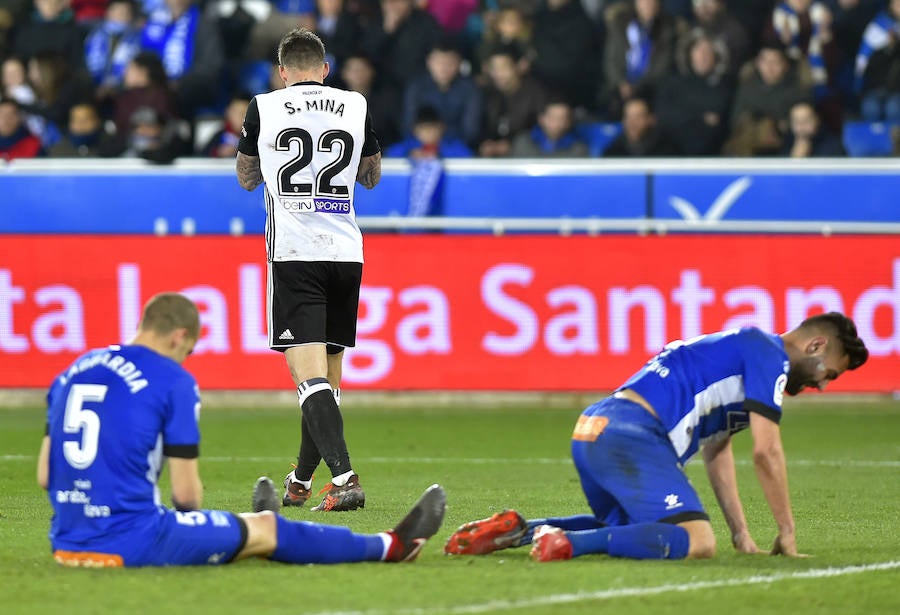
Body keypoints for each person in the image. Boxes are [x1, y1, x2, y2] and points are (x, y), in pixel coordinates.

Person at [38, 292, 447, 568]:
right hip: (132, 541)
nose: (185, 359)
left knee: (244, 530)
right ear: (181, 337)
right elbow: (186, 497)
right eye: (189, 351)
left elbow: (45, 475)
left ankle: (249, 531)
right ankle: (392, 546)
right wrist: (196, 534)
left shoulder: (73, 371)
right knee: (267, 530)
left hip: (67, 541)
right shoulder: (171, 380)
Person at [445, 312, 868, 562]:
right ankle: (565, 543)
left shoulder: (742, 359)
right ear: (815, 346)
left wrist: (742, 534)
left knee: (643, 528)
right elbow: (767, 451)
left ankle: (519, 530)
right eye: (830, 373)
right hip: (634, 433)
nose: (824, 385)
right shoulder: (769, 354)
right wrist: (787, 531)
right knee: (698, 542)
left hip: (595, 427)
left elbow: (718, 451)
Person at [236, 28, 382, 512]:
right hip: (345, 251)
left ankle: (345, 480)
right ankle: (300, 480)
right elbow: (371, 174)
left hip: (296, 252)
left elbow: (246, 177)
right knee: (327, 380)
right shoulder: (356, 105)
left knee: (307, 377)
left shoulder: (264, 106)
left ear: (282, 73)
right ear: (325, 69)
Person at [780, 101, 845, 156]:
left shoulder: (833, 145)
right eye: (796, 122)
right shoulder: (787, 142)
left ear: (817, 120)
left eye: (806, 121)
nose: (801, 126)